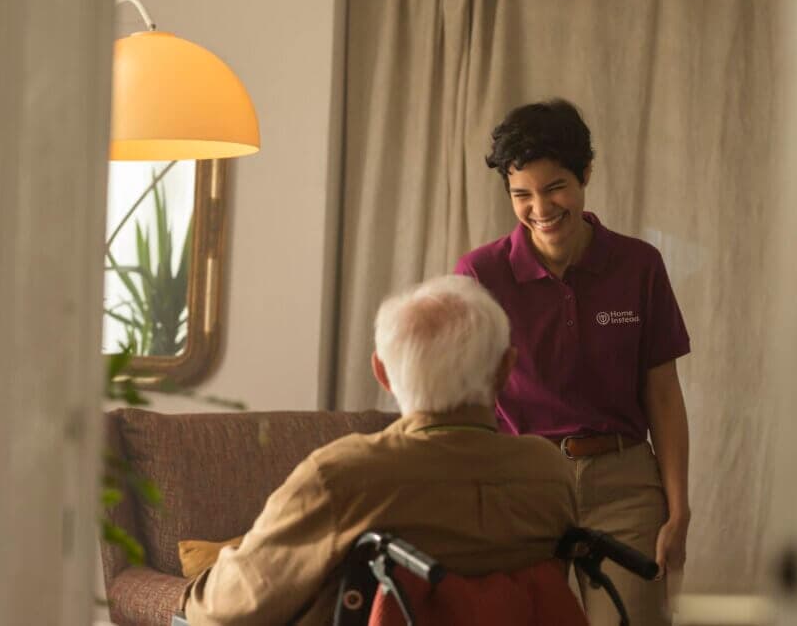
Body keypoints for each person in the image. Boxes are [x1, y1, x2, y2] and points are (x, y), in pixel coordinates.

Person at [182, 275, 578, 625]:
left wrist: (193, 591)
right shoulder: (550, 472)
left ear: (383, 373)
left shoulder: (342, 476)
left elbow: (226, 610)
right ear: (507, 368)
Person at [454, 99, 691, 626]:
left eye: (554, 187)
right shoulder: (478, 274)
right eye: (522, 194)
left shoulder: (639, 265)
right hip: (522, 487)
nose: (540, 208)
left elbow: (664, 394)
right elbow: (466, 403)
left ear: (585, 173)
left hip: (625, 488)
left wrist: (679, 511)